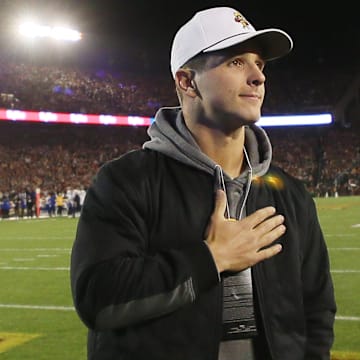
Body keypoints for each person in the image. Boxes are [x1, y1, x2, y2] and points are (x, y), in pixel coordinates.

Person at [70, 6, 336, 360]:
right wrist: (210, 259)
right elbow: (97, 300)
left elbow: (317, 308)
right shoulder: (128, 181)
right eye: (236, 62)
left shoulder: (289, 193)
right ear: (186, 81)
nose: (258, 77)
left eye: (260, 64)